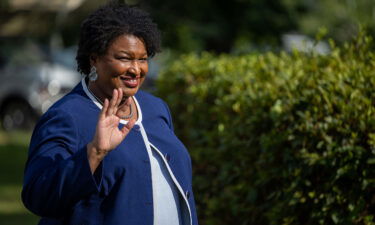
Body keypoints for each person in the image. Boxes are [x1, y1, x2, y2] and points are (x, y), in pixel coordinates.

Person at [21, 2, 198, 225]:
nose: (136, 69)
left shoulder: (156, 108)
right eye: (124, 58)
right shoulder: (67, 116)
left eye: (142, 59)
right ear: (94, 59)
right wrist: (94, 153)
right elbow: (38, 196)